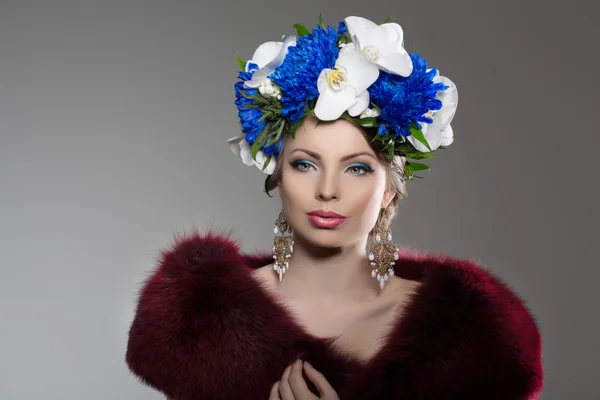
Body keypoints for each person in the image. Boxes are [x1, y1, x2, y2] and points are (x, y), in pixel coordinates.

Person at [125, 15, 543, 399]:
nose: (328, 189)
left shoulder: (467, 336)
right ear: (278, 176)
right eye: (305, 164)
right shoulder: (202, 324)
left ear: (389, 190)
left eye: (357, 168)